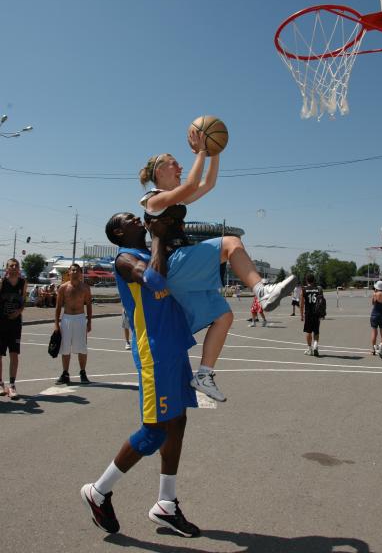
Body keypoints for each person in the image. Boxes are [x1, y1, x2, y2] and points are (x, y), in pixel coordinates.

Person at [138, 130, 296, 401]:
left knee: (224, 316)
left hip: (180, 274)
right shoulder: (152, 201)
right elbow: (189, 185)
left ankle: (204, 374)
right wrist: (201, 151)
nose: (180, 166)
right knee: (231, 242)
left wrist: (214, 152)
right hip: (173, 264)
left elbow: (207, 183)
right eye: (174, 163)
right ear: (160, 170)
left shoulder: (175, 197)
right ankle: (262, 290)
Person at [81, 211, 200, 538]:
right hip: (155, 350)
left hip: (175, 344)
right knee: (155, 430)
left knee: (178, 421)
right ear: (118, 232)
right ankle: (98, 490)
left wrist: (172, 224)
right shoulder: (124, 259)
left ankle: (166, 503)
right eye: (129, 218)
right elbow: (154, 280)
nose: (137, 218)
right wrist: (159, 235)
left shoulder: (150, 250)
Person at [54, 263, 92, 384]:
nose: (75, 272)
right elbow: (58, 306)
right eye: (73, 270)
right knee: (65, 347)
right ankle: (65, 373)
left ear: (80, 273)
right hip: (67, 319)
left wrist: (89, 321)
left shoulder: (85, 288)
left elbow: (89, 305)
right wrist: (56, 323)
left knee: (82, 347)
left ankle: (83, 372)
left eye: (77, 270)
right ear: (69, 272)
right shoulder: (63, 287)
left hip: (80, 319)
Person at [0, 258, 27, 399]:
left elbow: (23, 302)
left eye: (17, 265)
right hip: (1, 323)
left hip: (15, 324)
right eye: (12, 265)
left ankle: (12, 385)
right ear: (7, 269)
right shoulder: (2, 282)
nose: (15, 267)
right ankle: (0, 384)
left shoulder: (23, 283)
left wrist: (18, 312)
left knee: (14, 354)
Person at [300, 273, 323, 357]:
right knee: (316, 331)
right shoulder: (318, 289)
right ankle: (316, 345)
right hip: (317, 313)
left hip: (308, 313)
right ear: (314, 280)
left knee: (308, 331)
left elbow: (302, 304)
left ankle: (310, 349)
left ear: (307, 280)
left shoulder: (304, 290)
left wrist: (301, 315)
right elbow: (321, 302)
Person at [370, 280, 382, 355]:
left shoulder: (375, 294)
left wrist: (375, 293)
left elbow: (373, 303)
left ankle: (373, 350)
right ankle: (381, 350)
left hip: (375, 314)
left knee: (374, 332)